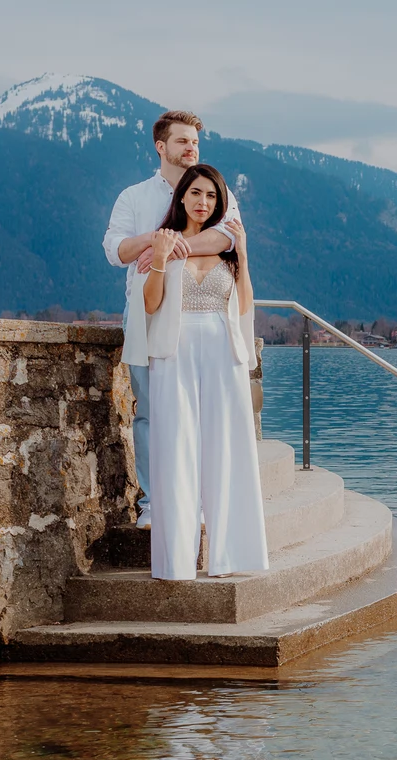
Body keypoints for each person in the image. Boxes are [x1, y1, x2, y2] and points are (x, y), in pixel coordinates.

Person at [102, 109, 241, 527]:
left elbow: (229, 236)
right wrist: (153, 240)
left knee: (198, 410)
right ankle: (153, 505)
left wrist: (168, 246)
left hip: (200, 315)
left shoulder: (214, 189)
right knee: (150, 411)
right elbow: (116, 251)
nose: (191, 147)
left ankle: (199, 501)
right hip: (145, 314)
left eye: (195, 141)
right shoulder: (134, 197)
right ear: (161, 147)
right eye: (183, 141)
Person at [132, 164, 268, 581]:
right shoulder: (166, 243)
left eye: (211, 196)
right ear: (182, 197)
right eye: (195, 194)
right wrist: (157, 260)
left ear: (218, 201)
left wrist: (243, 257)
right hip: (174, 353)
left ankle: (229, 556)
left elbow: (245, 306)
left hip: (223, 353)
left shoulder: (228, 247)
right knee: (176, 450)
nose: (203, 202)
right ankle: (176, 562)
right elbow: (150, 305)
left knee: (227, 450)